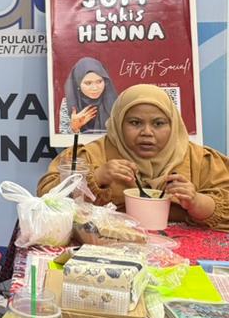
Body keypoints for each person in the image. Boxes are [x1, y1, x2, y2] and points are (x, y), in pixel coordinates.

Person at [38, 84, 229, 230]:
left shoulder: (200, 159)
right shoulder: (90, 155)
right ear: (118, 123)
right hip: (108, 251)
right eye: (135, 123)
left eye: (158, 123)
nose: (147, 132)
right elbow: (46, 200)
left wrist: (196, 202)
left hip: (185, 257)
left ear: (174, 125)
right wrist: (96, 177)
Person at [58, 57, 118, 135]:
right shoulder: (68, 103)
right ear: (78, 84)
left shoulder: (116, 102)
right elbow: (63, 139)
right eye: (88, 83)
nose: (95, 88)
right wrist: (74, 128)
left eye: (99, 81)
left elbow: (123, 135)